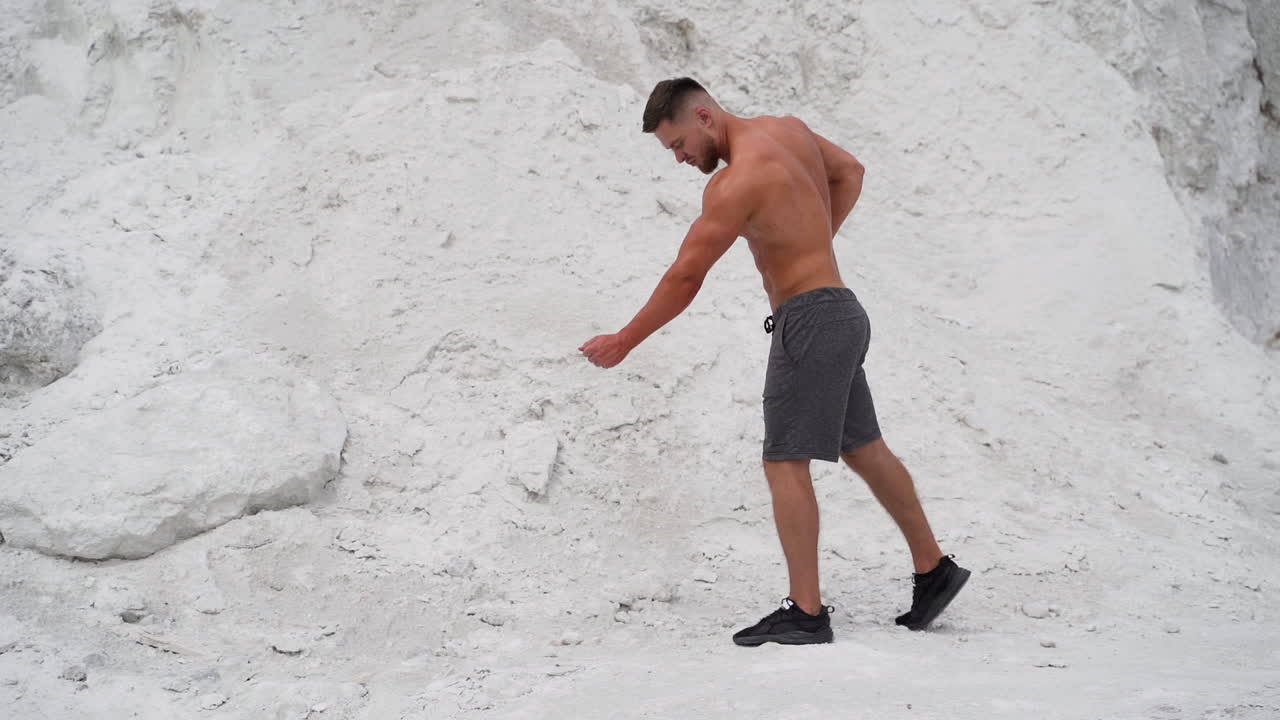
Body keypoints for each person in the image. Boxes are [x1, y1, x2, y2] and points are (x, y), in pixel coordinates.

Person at [579, 77, 970, 646]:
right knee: (862, 447)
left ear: (705, 117)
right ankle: (934, 571)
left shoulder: (735, 184)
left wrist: (626, 340)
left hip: (810, 322)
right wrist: (813, 240)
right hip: (841, 310)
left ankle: (805, 612)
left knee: (784, 460)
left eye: (679, 144)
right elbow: (851, 171)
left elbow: (686, 276)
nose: (681, 158)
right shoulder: (789, 132)